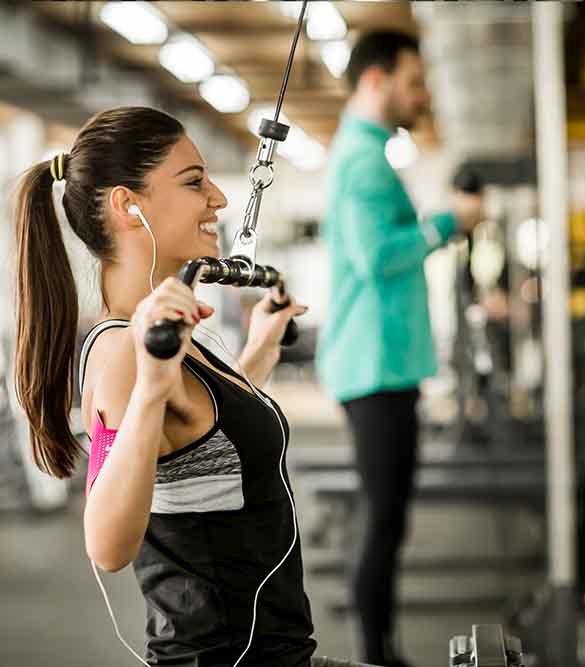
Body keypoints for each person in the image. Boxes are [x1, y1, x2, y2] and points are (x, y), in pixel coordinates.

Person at [11, 106, 355, 667]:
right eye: (194, 182)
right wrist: (148, 386)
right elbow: (106, 545)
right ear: (129, 205)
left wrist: (256, 358)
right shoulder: (125, 351)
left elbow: (198, 447)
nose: (218, 198)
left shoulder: (169, 333)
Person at [315, 31, 483, 667]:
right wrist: (449, 223)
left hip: (382, 365)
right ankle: (374, 655)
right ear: (376, 81)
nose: (422, 95)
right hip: (373, 368)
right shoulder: (361, 161)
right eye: (413, 82)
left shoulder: (368, 156)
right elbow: (377, 255)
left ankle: (379, 651)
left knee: (387, 520)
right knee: (383, 521)